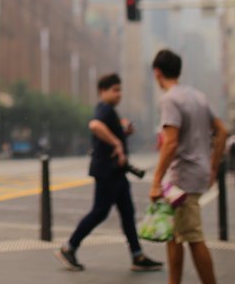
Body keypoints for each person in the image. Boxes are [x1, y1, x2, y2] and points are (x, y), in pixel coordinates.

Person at [55, 73, 163, 272]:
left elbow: (105, 130)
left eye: (120, 90)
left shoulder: (109, 110)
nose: (119, 94)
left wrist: (123, 134)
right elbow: (94, 125)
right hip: (107, 172)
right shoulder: (104, 109)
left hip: (116, 173)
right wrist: (117, 143)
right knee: (100, 212)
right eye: (115, 90)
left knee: (128, 213)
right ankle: (68, 248)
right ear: (102, 91)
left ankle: (137, 255)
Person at [149, 49, 228, 284]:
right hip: (196, 173)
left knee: (193, 236)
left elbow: (170, 143)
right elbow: (222, 132)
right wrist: (213, 167)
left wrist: (155, 182)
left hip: (182, 178)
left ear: (157, 73)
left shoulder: (169, 99)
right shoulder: (198, 96)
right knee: (175, 234)